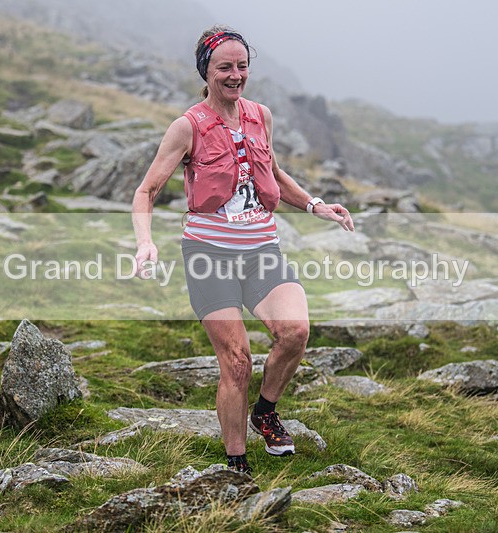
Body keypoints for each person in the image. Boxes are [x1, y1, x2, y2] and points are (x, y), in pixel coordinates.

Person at [132, 26, 354, 475]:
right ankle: (237, 466)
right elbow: (146, 191)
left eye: (242, 66)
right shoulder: (187, 127)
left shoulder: (260, 116)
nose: (235, 76)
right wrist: (145, 242)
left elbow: (272, 172)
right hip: (209, 255)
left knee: (295, 333)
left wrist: (314, 204)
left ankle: (266, 411)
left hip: (261, 250)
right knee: (236, 362)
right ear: (207, 72)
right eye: (225, 68)